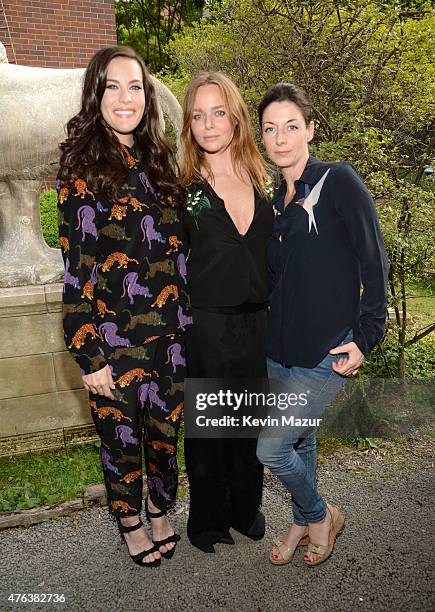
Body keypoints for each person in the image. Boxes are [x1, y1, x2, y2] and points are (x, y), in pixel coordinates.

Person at [57, 46, 191, 568]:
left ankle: (160, 510)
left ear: (147, 95)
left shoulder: (161, 163)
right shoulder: (82, 169)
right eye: (113, 85)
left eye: (135, 86)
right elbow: (75, 270)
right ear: (96, 93)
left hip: (172, 338)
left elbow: (178, 254)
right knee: (121, 443)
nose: (125, 97)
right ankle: (130, 522)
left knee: (164, 437)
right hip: (113, 344)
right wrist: (89, 355)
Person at [256, 83, 388, 566]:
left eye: (291, 126)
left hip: (324, 351)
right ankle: (300, 521)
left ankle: (319, 514)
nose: (281, 138)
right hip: (278, 349)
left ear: (310, 129)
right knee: (301, 439)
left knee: (270, 450)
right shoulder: (275, 198)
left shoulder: (339, 181)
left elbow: (375, 263)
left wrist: (367, 335)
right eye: (270, 129)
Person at [180, 72, 274, 552]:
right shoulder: (185, 191)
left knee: (248, 426)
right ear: (189, 125)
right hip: (207, 327)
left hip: (257, 325)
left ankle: (245, 509)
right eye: (198, 115)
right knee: (210, 431)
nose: (209, 124)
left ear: (236, 118)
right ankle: (207, 522)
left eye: (218, 113)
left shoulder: (265, 182)